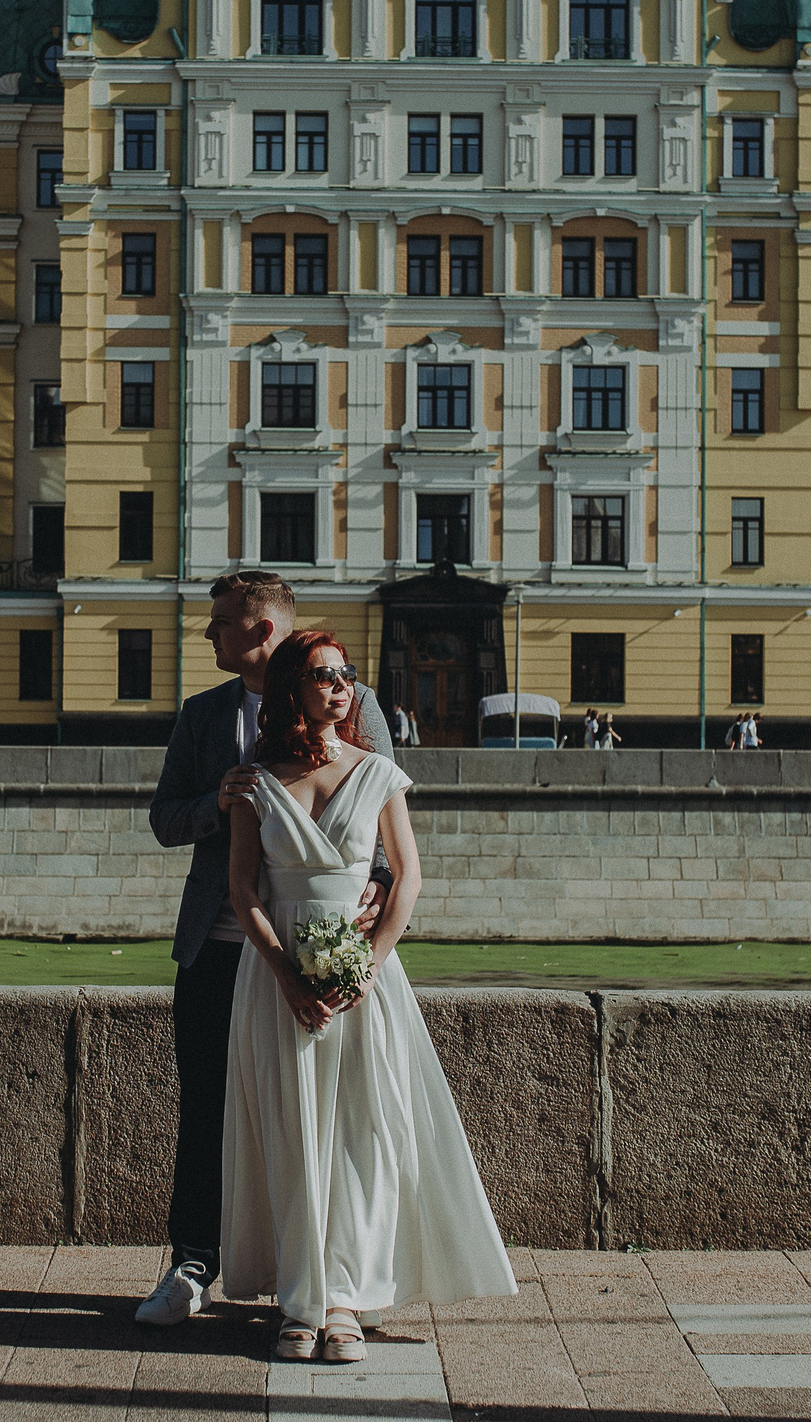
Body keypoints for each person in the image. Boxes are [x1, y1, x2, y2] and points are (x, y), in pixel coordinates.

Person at [221, 629, 515, 1359]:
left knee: (360, 1133)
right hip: (276, 976)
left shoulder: (378, 771)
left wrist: (368, 967)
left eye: (345, 674)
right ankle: (299, 1301)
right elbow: (243, 891)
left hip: (365, 981)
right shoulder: (253, 783)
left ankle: (345, 1300)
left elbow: (407, 878)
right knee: (290, 1133)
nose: (340, 686)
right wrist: (287, 973)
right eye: (323, 675)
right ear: (292, 688)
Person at [138, 571, 394, 1329]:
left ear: (260, 631)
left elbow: (379, 815)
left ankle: (323, 1274)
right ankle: (193, 1261)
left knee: (326, 1115)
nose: (208, 634)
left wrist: (376, 885)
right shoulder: (203, 714)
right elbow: (164, 818)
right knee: (205, 1108)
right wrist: (216, 803)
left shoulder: (355, 700)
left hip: (317, 946)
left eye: (220, 622)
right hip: (219, 945)